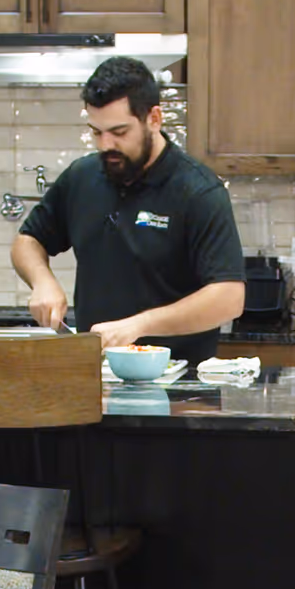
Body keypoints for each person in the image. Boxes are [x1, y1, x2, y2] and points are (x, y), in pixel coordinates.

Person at [12, 54, 245, 365]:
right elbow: (28, 241)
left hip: (179, 389)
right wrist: (42, 280)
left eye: (119, 132)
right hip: (96, 381)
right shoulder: (81, 177)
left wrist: (140, 325)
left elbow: (229, 298)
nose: (106, 145)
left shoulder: (198, 191)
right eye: (97, 132)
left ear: (154, 118)